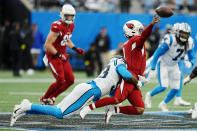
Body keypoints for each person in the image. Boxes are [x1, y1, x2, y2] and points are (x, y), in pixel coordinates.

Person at [10, 55, 146, 126]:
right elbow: (127, 75)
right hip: (90, 91)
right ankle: (27, 106)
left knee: (59, 110)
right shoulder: (119, 65)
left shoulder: (113, 68)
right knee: (60, 113)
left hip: (87, 88)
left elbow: (113, 95)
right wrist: (137, 81)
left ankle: (25, 108)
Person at [80, 15, 160, 123]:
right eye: (140, 30)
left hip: (135, 77)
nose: (141, 32)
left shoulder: (130, 43)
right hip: (130, 78)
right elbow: (143, 37)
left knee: (139, 109)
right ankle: (88, 108)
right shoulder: (134, 41)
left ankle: (113, 109)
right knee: (116, 99)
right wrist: (151, 25)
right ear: (133, 30)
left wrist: (141, 74)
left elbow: (137, 58)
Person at [40, 4, 85, 105]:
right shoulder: (57, 26)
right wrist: (59, 55)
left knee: (70, 80)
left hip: (62, 56)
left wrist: (75, 48)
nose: (69, 18)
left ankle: (52, 97)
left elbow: (66, 39)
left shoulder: (71, 25)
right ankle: (44, 98)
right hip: (53, 56)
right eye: (67, 15)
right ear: (62, 15)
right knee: (60, 80)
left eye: (71, 16)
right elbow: (47, 45)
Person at [145, 23, 196, 112]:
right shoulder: (170, 39)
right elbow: (158, 53)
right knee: (163, 86)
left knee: (176, 88)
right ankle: (149, 95)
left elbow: (192, 57)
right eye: (183, 33)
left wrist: (191, 62)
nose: (185, 36)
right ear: (177, 32)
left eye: (186, 34)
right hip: (163, 63)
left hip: (174, 65)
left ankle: (163, 104)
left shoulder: (189, 42)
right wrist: (153, 65)